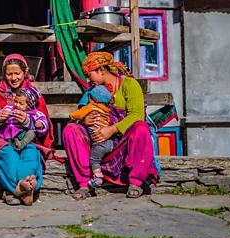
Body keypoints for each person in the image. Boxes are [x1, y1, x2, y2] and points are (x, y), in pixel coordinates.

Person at [62, 52, 158, 200]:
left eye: (89, 74)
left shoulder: (129, 85)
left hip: (123, 144)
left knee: (141, 128)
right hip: (98, 146)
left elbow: (136, 115)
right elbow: (80, 114)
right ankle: (84, 182)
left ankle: (135, 182)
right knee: (70, 130)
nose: (87, 80)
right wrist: (84, 121)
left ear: (102, 70)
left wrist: (112, 129)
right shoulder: (91, 92)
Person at [0, 54, 55, 206]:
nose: (13, 78)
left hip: (27, 140)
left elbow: (43, 124)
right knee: (7, 154)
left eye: (17, 73)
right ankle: (22, 189)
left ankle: (15, 190)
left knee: (31, 154)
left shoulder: (33, 95)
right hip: (2, 140)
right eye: (9, 74)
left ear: (25, 72)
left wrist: (27, 122)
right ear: (3, 74)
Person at [69, 85, 113, 188]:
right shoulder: (106, 110)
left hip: (99, 142)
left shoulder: (91, 107)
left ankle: (97, 177)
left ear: (92, 99)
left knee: (94, 159)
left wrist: (72, 116)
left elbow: (77, 114)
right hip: (110, 141)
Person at [0, 87, 49, 151]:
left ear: (29, 105)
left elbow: (43, 121)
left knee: (31, 132)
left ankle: (21, 144)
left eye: (21, 104)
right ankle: (9, 145)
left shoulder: (34, 113)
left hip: (23, 136)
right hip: (8, 135)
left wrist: (41, 124)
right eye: (16, 101)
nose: (17, 105)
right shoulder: (9, 108)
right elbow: (0, 112)